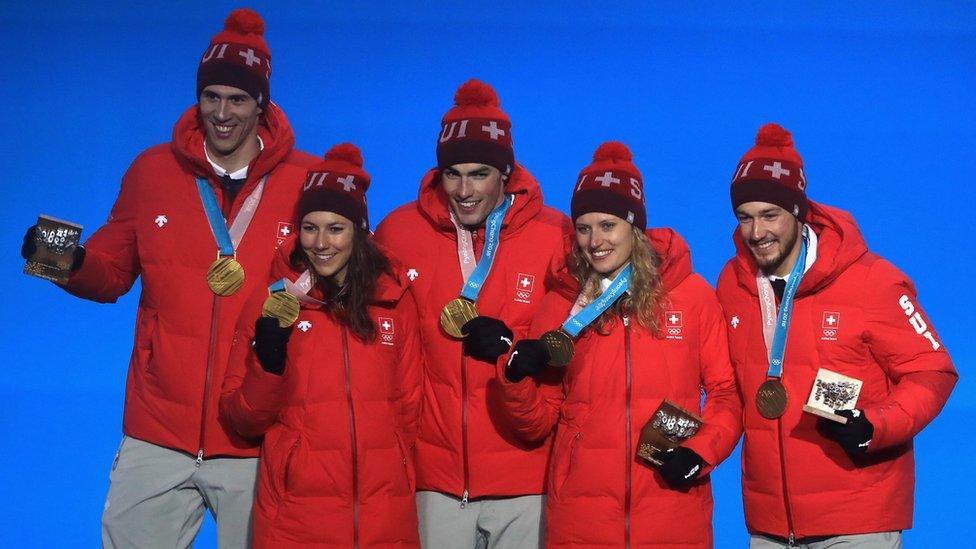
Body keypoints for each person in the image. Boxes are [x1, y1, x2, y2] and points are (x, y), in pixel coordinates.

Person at [20, 9, 316, 547]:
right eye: (211, 97)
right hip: (158, 429)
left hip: (260, 432)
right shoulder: (153, 171)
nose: (222, 113)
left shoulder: (306, 182)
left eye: (238, 99)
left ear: (262, 104)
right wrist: (56, 258)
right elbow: (110, 272)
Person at [717, 123, 958, 548]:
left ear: (799, 211)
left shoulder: (872, 281)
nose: (756, 232)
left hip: (858, 517)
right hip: (769, 523)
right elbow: (733, 390)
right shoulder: (732, 285)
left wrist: (875, 426)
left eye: (770, 215)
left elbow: (933, 372)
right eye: (745, 217)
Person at [489, 142, 742, 547]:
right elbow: (538, 422)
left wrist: (701, 452)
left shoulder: (690, 296)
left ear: (634, 227)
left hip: (672, 513)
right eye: (584, 227)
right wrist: (516, 377)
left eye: (608, 225)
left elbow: (726, 394)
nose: (595, 241)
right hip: (582, 520)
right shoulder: (561, 305)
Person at [373, 79, 570, 547]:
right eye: (452, 173)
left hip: (526, 479)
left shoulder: (555, 235)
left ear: (506, 173)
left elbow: (573, 350)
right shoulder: (398, 233)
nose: (463, 190)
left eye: (479, 173)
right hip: (432, 480)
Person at [220, 143, 423, 547]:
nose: (321, 242)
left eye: (336, 228)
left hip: (385, 517)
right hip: (295, 518)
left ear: (359, 232)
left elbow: (408, 405)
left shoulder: (393, 302)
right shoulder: (273, 302)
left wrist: (392, 461)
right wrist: (269, 365)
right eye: (310, 227)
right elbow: (240, 417)